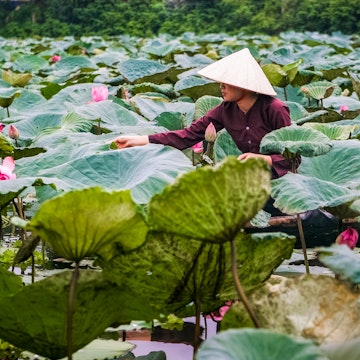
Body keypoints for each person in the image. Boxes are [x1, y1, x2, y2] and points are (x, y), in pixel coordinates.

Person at [113, 48, 296, 179]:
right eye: (221, 81)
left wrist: (264, 159)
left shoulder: (274, 109)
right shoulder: (225, 110)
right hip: (250, 178)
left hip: (284, 181)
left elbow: (294, 158)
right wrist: (140, 140)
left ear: (244, 85)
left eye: (227, 82)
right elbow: (188, 135)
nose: (221, 86)